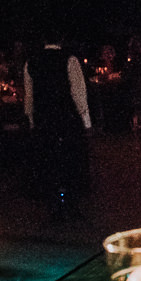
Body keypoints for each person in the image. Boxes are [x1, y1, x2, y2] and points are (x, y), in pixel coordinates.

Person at [23, 44, 93, 221]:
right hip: (66, 118)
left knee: (49, 162)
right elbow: (78, 93)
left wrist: (31, 121)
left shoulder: (32, 62)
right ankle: (71, 204)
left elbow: (29, 96)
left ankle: (54, 205)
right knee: (70, 161)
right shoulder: (69, 60)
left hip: (44, 119)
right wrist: (86, 122)